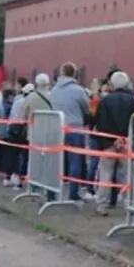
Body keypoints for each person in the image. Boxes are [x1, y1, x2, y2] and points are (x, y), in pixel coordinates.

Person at [94, 70, 134, 215]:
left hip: (108, 143)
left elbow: (100, 122)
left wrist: (111, 140)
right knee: (126, 175)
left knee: (105, 174)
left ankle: (102, 204)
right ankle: (128, 204)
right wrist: (125, 138)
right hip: (127, 141)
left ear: (112, 84)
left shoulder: (105, 100)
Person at [50, 63, 91, 202]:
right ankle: (73, 193)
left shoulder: (54, 90)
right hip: (75, 128)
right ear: (75, 74)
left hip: (58, 127)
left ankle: (52, 191)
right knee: (75, 161)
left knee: (57, 160)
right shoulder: (78, 90)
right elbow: (87, 108)